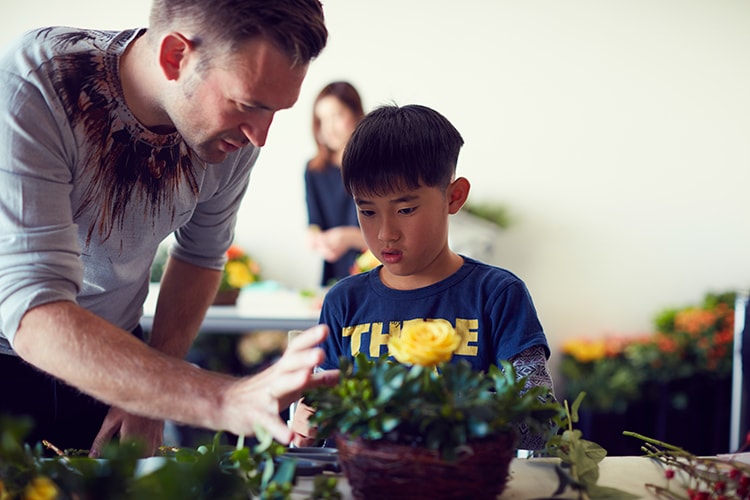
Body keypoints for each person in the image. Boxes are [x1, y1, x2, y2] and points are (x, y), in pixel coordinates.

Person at [0, 0, 339, 456]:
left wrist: (148, 398)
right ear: (175, 57)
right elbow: (33, 310)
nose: (260, 136)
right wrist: (220, 398)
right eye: (248, 105)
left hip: (119, 360)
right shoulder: (37, 82)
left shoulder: (233, 135)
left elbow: (201, 256)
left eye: (275, 110)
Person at [292, 104, 556, 450]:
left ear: (454, 196)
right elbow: (314, 419)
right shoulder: (344, 301)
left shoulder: (497, 294)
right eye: (367, 211)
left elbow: (541, 420)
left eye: (405, 210)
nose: (386, 233)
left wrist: (425, 408)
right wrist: (306, 425)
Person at [305, 81, 367, 286]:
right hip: (334, 272)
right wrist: (315, 238)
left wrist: (348, 237)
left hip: (373, 268)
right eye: (322, 120)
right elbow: (314, 222)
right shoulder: (314, 170)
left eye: (337, 116)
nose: (329, 128)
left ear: (356, 114)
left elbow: (392, 235)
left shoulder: (376, 167)